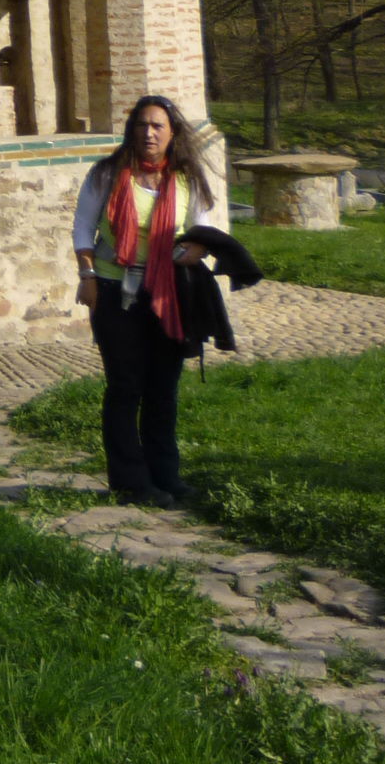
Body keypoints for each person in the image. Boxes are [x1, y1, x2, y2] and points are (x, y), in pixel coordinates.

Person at [72, 94, 226, 504]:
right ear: (132, 131)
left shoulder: (185, 178)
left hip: (169, 295)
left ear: (172, 132)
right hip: (113, 290)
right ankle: (130, 482)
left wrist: (195, 251)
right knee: (125, 386)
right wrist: (86, 275)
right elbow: (84, 227)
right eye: (142, 125)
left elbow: (201, 231)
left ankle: (166, 476)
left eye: (158, 125)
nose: (149, 133)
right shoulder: (108, 174)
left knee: (163, 388)